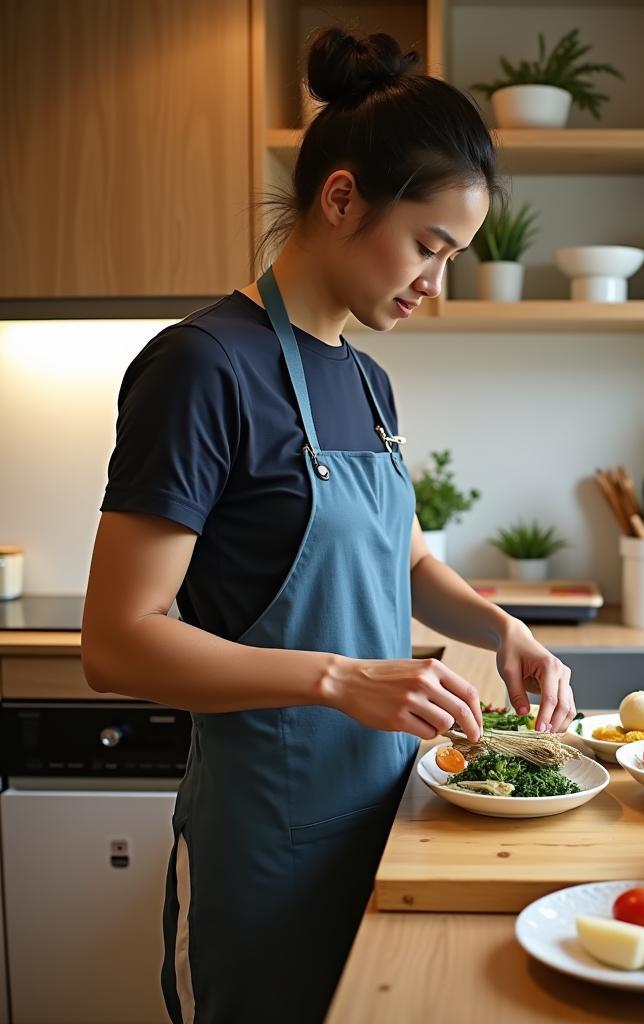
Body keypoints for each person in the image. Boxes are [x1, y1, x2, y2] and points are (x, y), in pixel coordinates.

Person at [81, 27, 577, 1024]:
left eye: (455, 257)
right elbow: (116, 640)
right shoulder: (201, 368)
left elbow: (407, 557)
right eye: (429, 247)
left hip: (382, 808)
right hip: (269, 832)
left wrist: (503, 628)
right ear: (343, 198)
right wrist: (340, 677)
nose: (436, 282)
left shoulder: (366, 379)